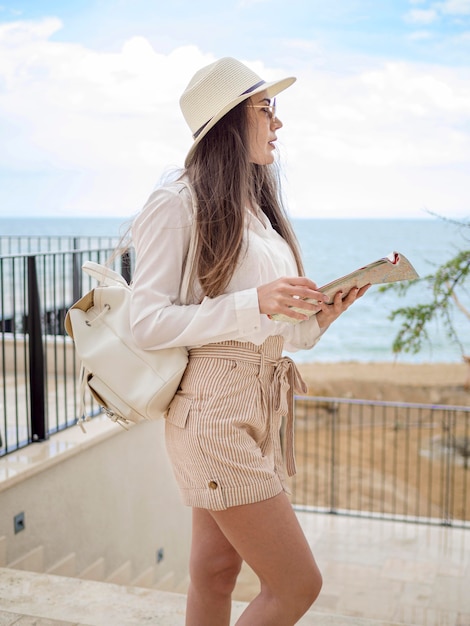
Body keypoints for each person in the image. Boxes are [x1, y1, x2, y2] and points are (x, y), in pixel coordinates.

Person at [129, 57, 369, 626]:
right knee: (296, 585)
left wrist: (318, 320)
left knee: (214, 573)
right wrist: (254, 302)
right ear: (229, 122)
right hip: (213, 410)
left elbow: (273, 328)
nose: (278, 123)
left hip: (259, 400)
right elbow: (146, 322)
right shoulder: (177, 203)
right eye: (266, 109)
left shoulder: (256, 210)